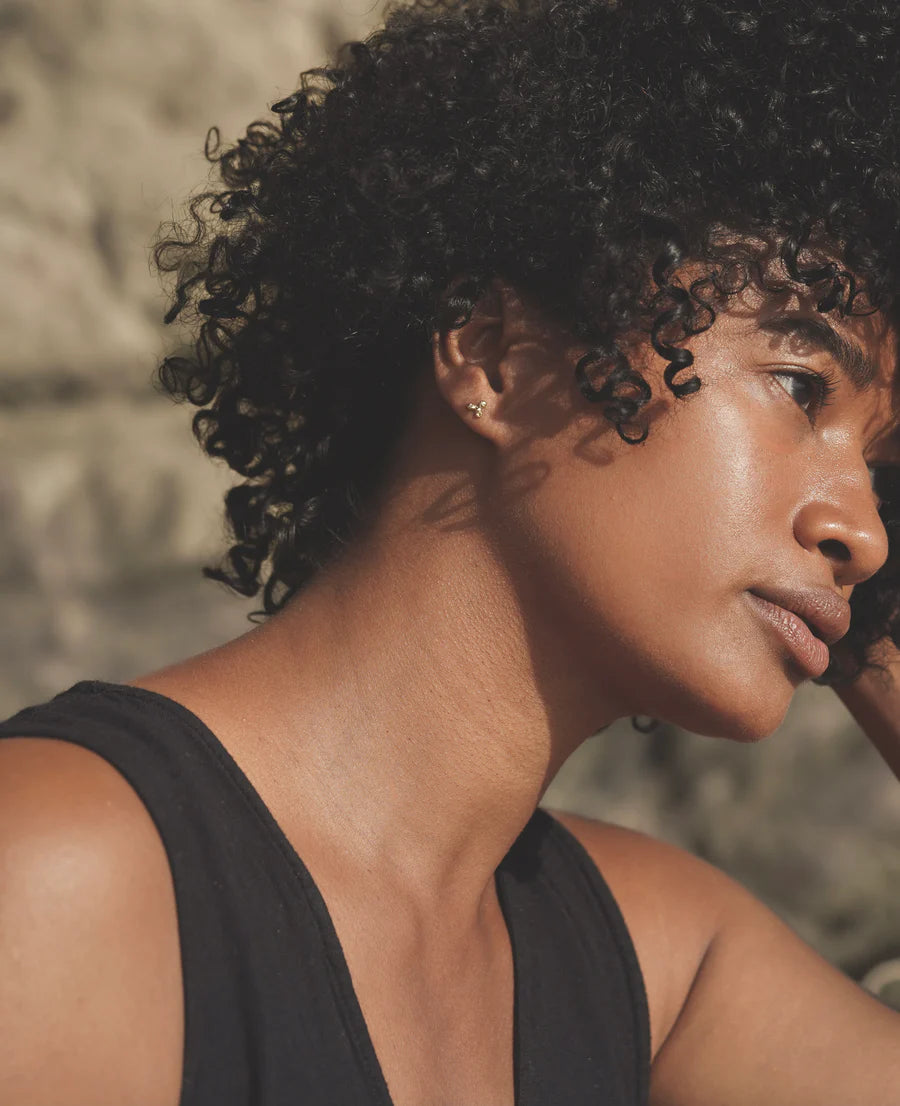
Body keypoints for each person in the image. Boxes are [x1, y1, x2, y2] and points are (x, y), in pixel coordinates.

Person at [2, 0, 900, 1102]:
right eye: (803, 387)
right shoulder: (59, 871)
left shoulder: (656, 968)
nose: (864, 526)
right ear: (494, 355)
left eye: (884, 462)